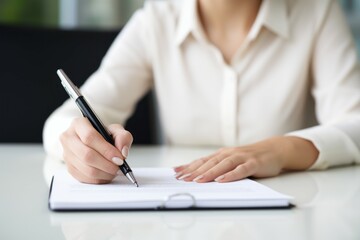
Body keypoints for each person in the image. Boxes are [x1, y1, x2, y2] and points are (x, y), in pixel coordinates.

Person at [43, 0, 360, 184]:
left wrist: (280, 150)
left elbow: (355, 122)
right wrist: (78, 144)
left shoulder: (317, 11)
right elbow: (64, 119)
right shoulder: (158, 18)